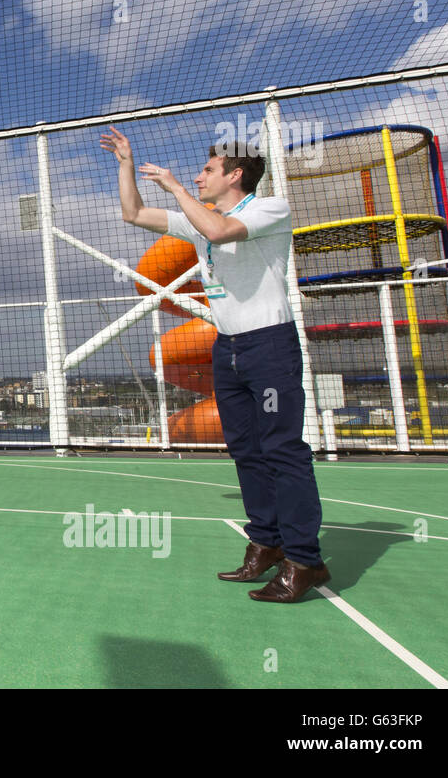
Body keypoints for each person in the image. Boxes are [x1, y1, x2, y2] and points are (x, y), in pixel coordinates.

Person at [101, 125, 329, 603]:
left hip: (268, 345)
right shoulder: (199, 216)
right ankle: (266, 543)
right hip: (228, 349)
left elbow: (219, 230)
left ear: (236, 175)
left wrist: (178, 189)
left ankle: (304, 561)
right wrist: (126, 162)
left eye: (208, 170)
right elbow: (133, 212)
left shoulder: (269, 208)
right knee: (245, 450)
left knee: (282, 450)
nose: (199, 176)